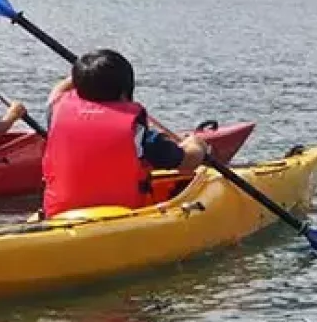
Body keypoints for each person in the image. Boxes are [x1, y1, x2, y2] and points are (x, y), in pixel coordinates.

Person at [41, 49, 207, 218]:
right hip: (120, 217)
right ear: (124, 92)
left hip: (60, 215)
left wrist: (85, 75)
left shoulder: (55, 112)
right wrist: (197, 144)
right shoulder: (137, 132)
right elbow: (187, 162)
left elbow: (57, 91)